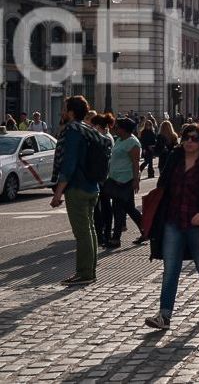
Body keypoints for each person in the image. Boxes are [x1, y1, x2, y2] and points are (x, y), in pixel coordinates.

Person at [145, 123, 199, 330]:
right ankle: (164, 315)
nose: (189, 141)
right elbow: (163, 184)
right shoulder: (174, 158)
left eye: (194, 138)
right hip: (173, 220)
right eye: (186, 137)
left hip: (197, 223)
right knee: (170, 269)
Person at [49, 96, 100, 286]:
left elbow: (68, 164)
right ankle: (90, 270)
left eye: (65, 108)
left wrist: (57, 193)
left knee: (82, 233)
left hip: (77, 188)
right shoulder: (87, 129)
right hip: (92, 186)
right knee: (90, 230)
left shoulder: (72, 131)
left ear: (71, 112)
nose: (62, 111)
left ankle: (85, 273)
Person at [100, 117, 145, 248]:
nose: (115, 129)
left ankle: (116, 239)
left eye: (117, 127)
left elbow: (135, 163)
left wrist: (136, 180)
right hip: (115, 179)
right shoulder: (119, 140)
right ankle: (146, 230)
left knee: (118, 208)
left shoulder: (133, 143)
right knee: (129, 208)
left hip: (125, 180)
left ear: (124, 129)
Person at [90, 113, 115, 247]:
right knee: (104, 206)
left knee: (100, 208)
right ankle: (105, 234)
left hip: (102, 177)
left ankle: (102, 235)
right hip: (105, 176)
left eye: (93, 126)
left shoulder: (104, 138)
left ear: (99, 126)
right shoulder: (108, 137)